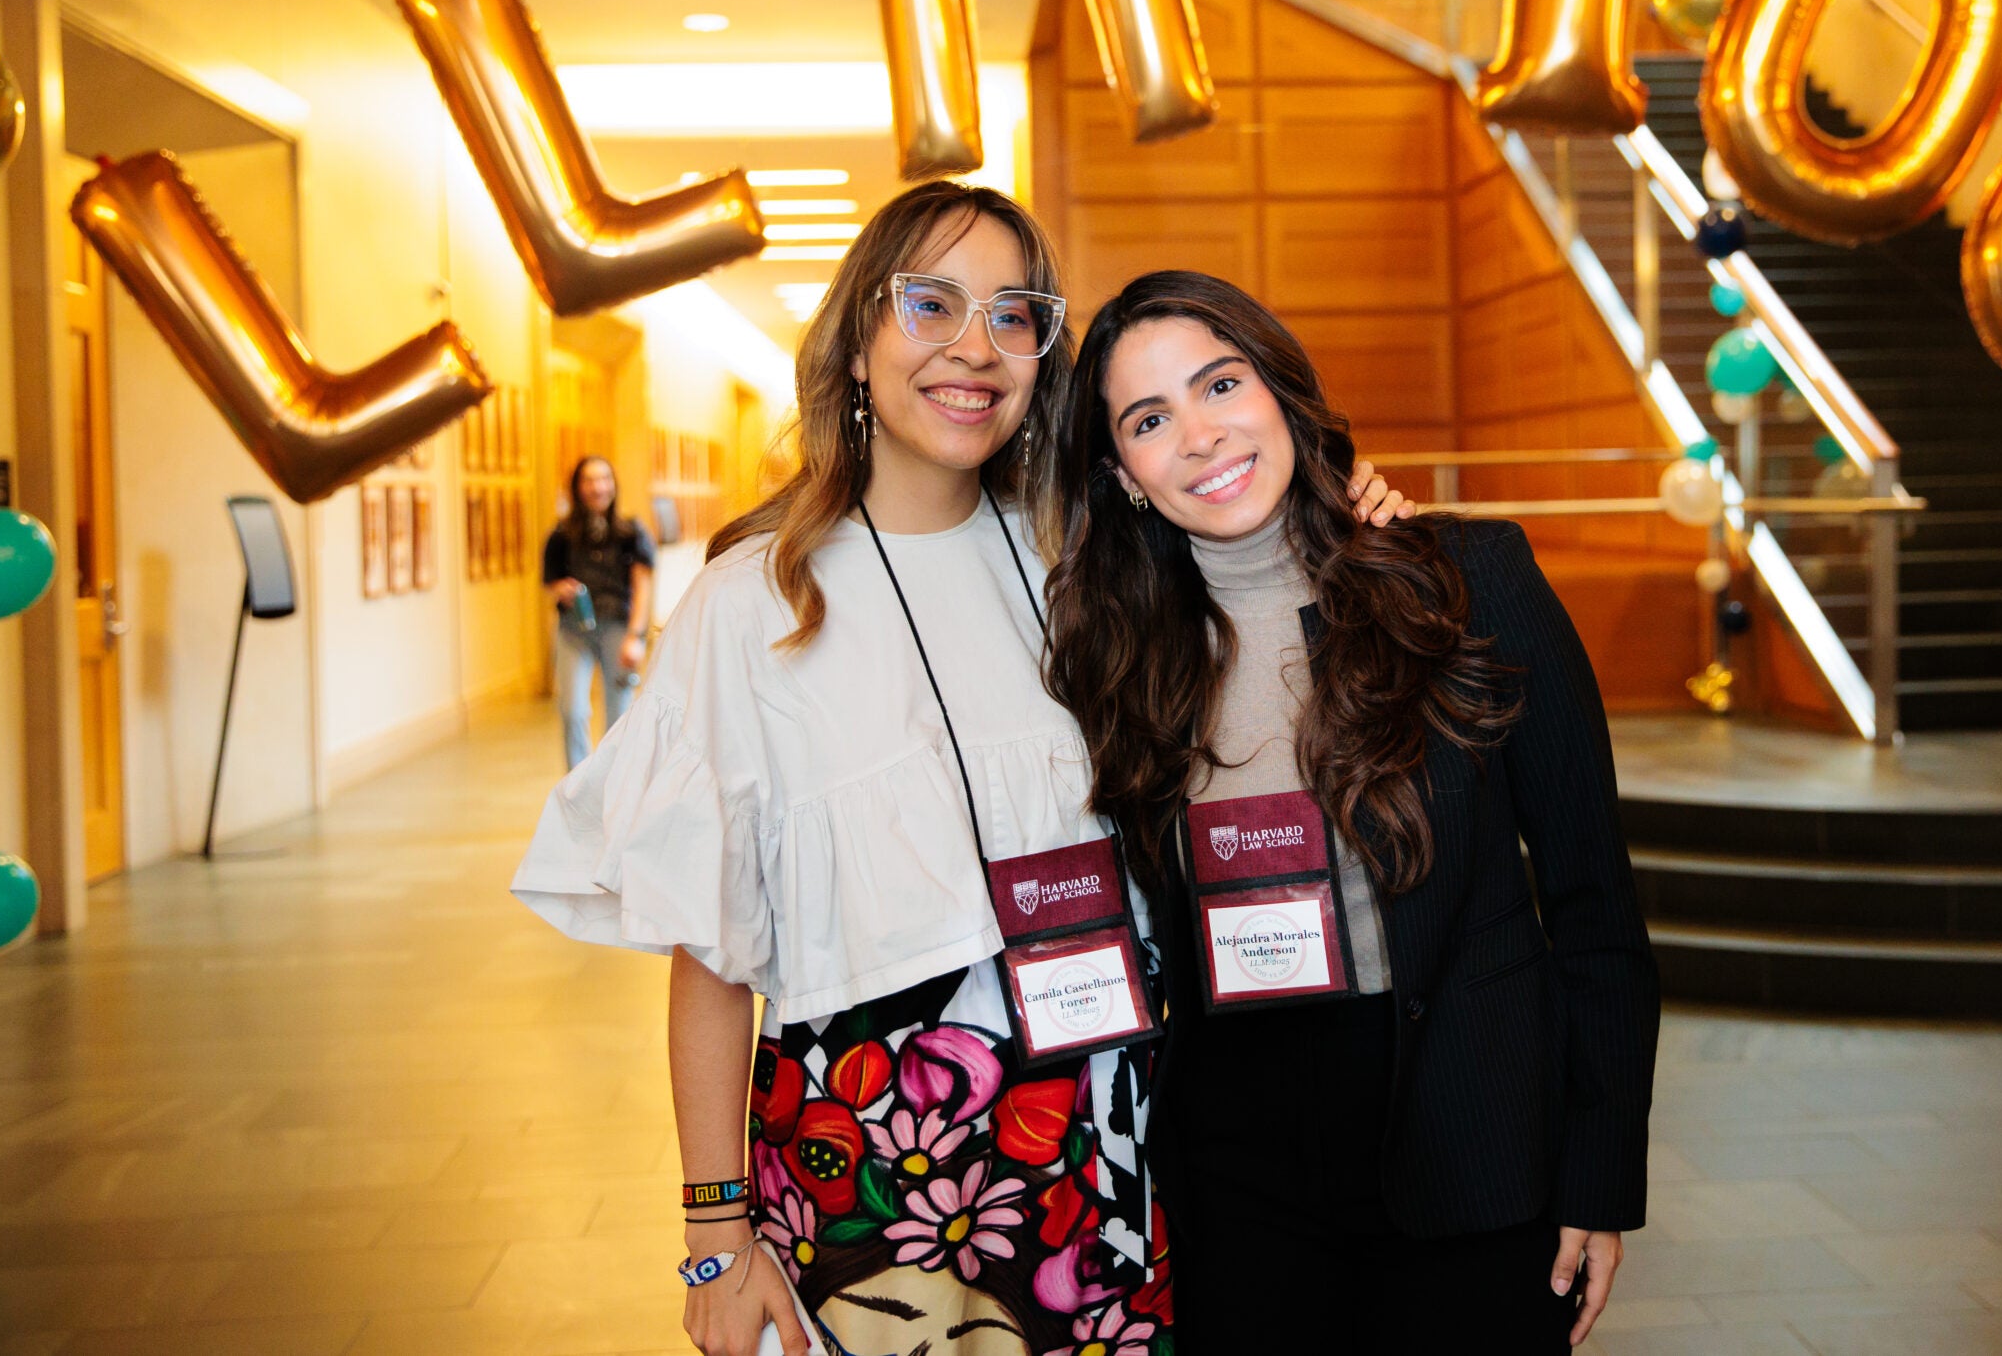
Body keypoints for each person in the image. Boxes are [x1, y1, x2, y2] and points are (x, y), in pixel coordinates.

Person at [512, 185, 1412, 1356]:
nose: (973, 350)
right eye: (929, 304)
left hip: (1109, 1137)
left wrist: (1359, 508)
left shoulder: (1081, 561)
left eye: (1014, 315)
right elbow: (711, 953)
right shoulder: (751, 605)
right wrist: (714, 1240)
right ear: (856, 340)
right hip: (877, 1160)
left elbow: (1247, 540)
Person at [1044, 271, 1659, 1356]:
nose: (1198, 435)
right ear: (1124, 475)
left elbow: (1594, 904)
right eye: (1149, 420)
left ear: (1279, 390)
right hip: (1239, 1164)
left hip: (1468, 1131)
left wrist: (1598, 1172)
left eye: (1219, 383)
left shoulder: (1466, 583)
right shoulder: (1121, 657)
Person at [543, 455, 657, 769]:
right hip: (573, 629)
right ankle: (577, 782)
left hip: (618, 628)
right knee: (572, 709)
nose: (597, 487)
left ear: (613, 485)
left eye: (604, 479)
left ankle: (613, 781)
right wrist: (560, 589)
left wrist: (636, 636)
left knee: (619, 713)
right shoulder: (562, 534)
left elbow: (642, 587)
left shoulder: (631, 533)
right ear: (578, 487)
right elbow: (549, 580)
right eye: (589, 480)